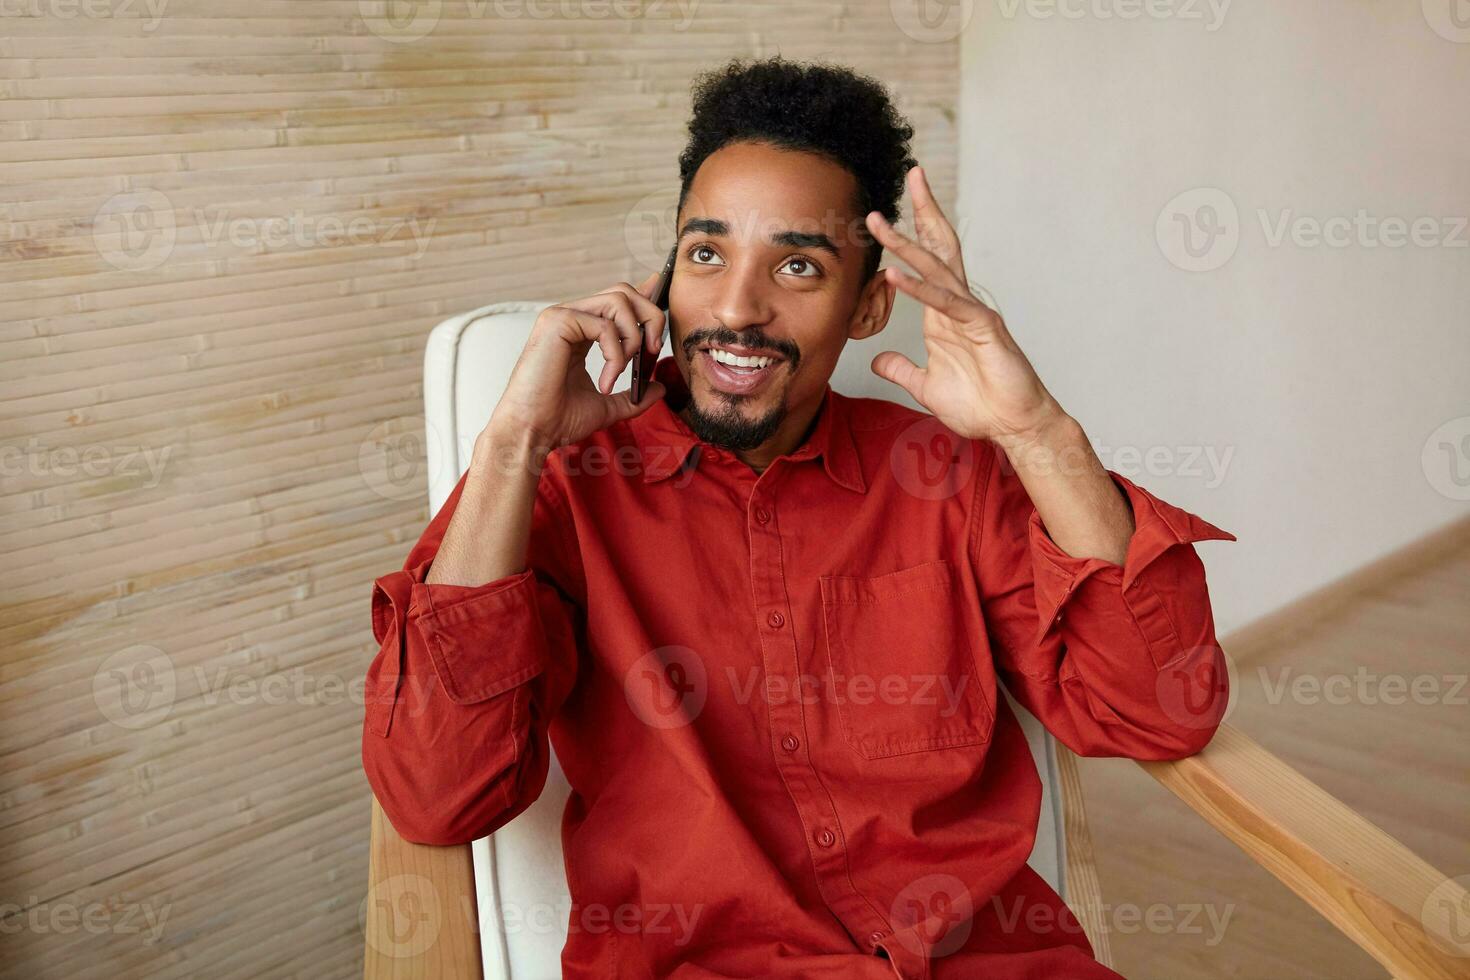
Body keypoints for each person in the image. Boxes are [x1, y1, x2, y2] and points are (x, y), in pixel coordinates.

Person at [361, 55, 1236, 979]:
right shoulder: (558, 485)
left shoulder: (951, 476)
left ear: (867, 307)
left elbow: (1155, 715)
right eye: (705, 254)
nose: (735, 308)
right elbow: (436, 796)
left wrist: (1037, 429)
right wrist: (508, 446)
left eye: (797, 266)